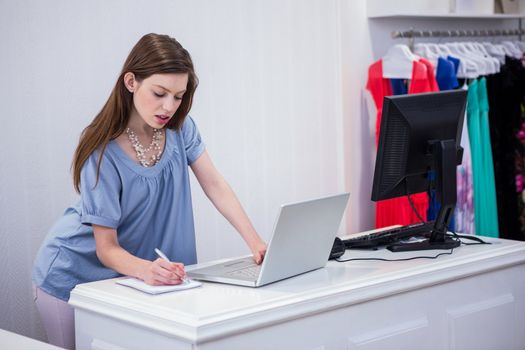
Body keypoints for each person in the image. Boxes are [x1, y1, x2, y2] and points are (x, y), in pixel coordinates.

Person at [32, 33, 267, 350]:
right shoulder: (102, 152)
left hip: (137, 280)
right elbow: (106, 248)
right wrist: (146, 269)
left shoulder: (182, 130)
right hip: (74, 272)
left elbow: (215, 184)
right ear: (131, 82)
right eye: (159, 93)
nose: (169, 106)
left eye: (178, 96)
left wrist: (255, 242)